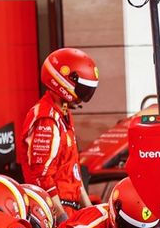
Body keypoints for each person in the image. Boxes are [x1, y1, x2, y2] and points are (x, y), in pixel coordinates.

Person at [17, 48, 99, 219]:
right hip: (54, 210)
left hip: (70, 207)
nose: (83, 97)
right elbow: (41, 174)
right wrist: (60, 215)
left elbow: (74, 171)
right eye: (83, 89)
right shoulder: (46, 117)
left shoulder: (63, 115)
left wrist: (90, 211)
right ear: (63, 82)